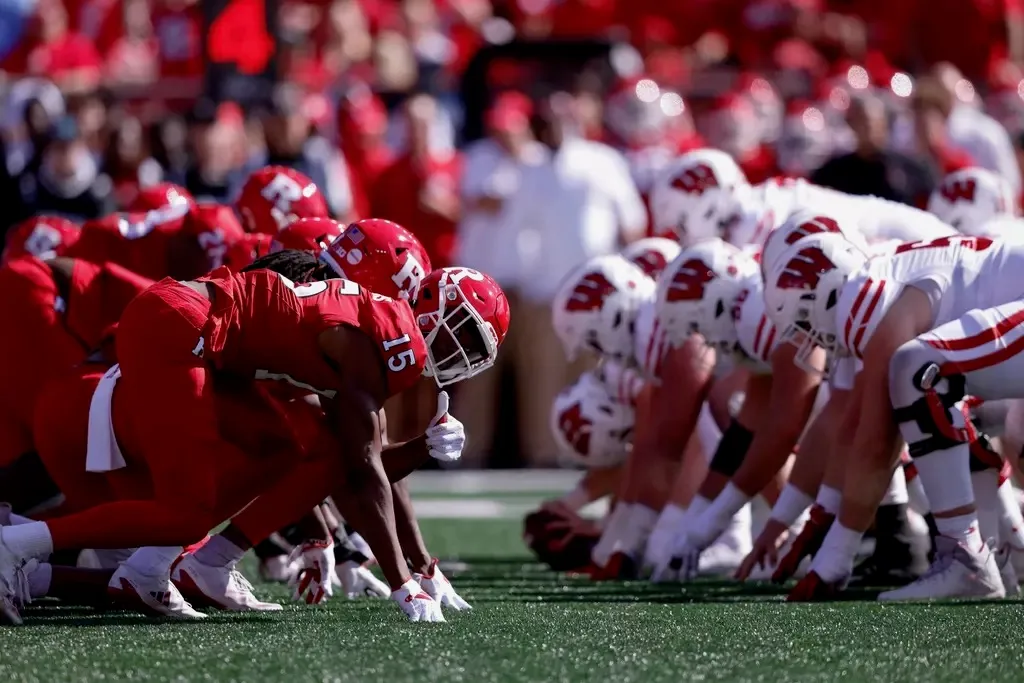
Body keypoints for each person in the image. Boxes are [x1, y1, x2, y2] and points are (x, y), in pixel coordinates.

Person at [0, 252, 510, 623]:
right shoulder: (392, 339)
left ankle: (168, 566)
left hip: (205, 343)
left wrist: (422, 448)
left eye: (474, 349)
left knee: (286, 448)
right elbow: (364, 470)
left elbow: (352, 462)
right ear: (431, 304)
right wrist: (404, 583)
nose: (462, 354)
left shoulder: (373, 332)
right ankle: (15, 544)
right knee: (186, 512)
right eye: (464, 333)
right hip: (181, 330)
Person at [763, 229, 1024, 601]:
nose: (813, 342)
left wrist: (836, 555)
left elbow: (878, 441)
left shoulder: (868, 299)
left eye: (805, 326)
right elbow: (854, 425)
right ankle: (1009, 547)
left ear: (826, 297)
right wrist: (820, 516)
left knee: (916, 368)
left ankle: (965, 557)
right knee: (946, 405)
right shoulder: (887, 277)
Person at [468, 92, 646, 467]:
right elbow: (515, 229)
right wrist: (519, 278)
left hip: (599, 291)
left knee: (596, 376)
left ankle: (597, 453)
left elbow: (631, 222)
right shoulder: (532, 168)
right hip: (545, 290)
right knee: (543, 380)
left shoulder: (604, 161)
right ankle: (546, 457)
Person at [810, 93, 937, 206]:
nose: (872, 129)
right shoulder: (834, 171)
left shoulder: (912, 168)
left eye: (877, 123)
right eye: (864, 123)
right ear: (852, 124)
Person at [14, 115, 115, 225]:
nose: (62, 154)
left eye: (67, 147)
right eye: (57, 147)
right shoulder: (31, 188)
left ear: (81, 147)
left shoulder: (98, 190)